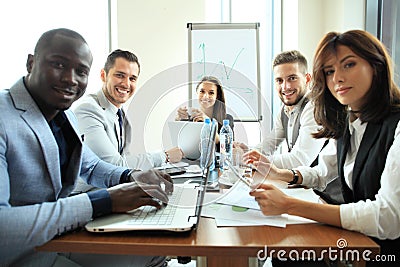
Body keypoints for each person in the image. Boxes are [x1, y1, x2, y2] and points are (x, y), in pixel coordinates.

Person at [0, 28, 171, 267]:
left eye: (81, 71)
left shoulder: (64, 116)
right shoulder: (4, 116)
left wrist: (131, 175)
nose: (71, 79)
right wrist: (103, 202)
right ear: (31, 63)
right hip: (23, 254)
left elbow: (91, 167)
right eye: (58, 64)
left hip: (57, 238)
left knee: (156, 252)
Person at [250, 30, 400, 266]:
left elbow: (389, 217)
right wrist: (280, 174)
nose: (337, 78)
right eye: (329, 71)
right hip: (359, 242)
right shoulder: (348, 120)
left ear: (376, 66)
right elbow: (321, 173)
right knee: (285, 253)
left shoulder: (396, 125)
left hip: (384, 253)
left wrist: (290, 204)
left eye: (348, 65)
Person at [73, 49, 183, 172]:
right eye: (120, 75)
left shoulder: (120, 112)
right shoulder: (87, 110)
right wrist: (164, 156)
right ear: (103, 75)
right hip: (90, 190)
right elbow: (114, 165)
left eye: (132, 79)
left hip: (114, 186)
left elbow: (126, 158)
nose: (126, 84)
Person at [238, 50, 327, 169]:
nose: (285, 87)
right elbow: (268, 146)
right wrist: (246, 152)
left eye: (292, 78)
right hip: (302, 184)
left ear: (307, 79)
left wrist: (251, 160)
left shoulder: (314, 107)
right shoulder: (284, 111)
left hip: (321, 187)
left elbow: (299, 160)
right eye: (279, 80)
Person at [175, 76, 234, 145]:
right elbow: (179, 145)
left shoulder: (227, 119)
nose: (205, 96)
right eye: (202, 91)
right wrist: (177, 120)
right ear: (197, 92)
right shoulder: (190, 118)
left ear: (217, 96)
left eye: (211, 93)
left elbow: (228, 147)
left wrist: (208, 123)